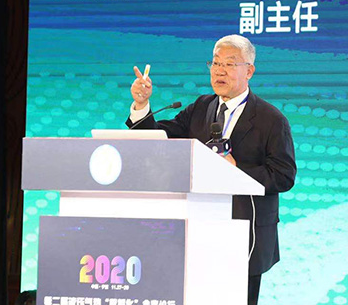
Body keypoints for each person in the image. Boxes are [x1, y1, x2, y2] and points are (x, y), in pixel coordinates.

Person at [126, 34, 296, 305]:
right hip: (198, 229)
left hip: (245, 234)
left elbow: (283, 176)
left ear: (249, 71)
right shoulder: (201, 107)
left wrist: (236, 171)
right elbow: (159, 137)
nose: (219, 71)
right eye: (215, 63)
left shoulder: (271, 119)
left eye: (229, 64)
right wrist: (141, 105)